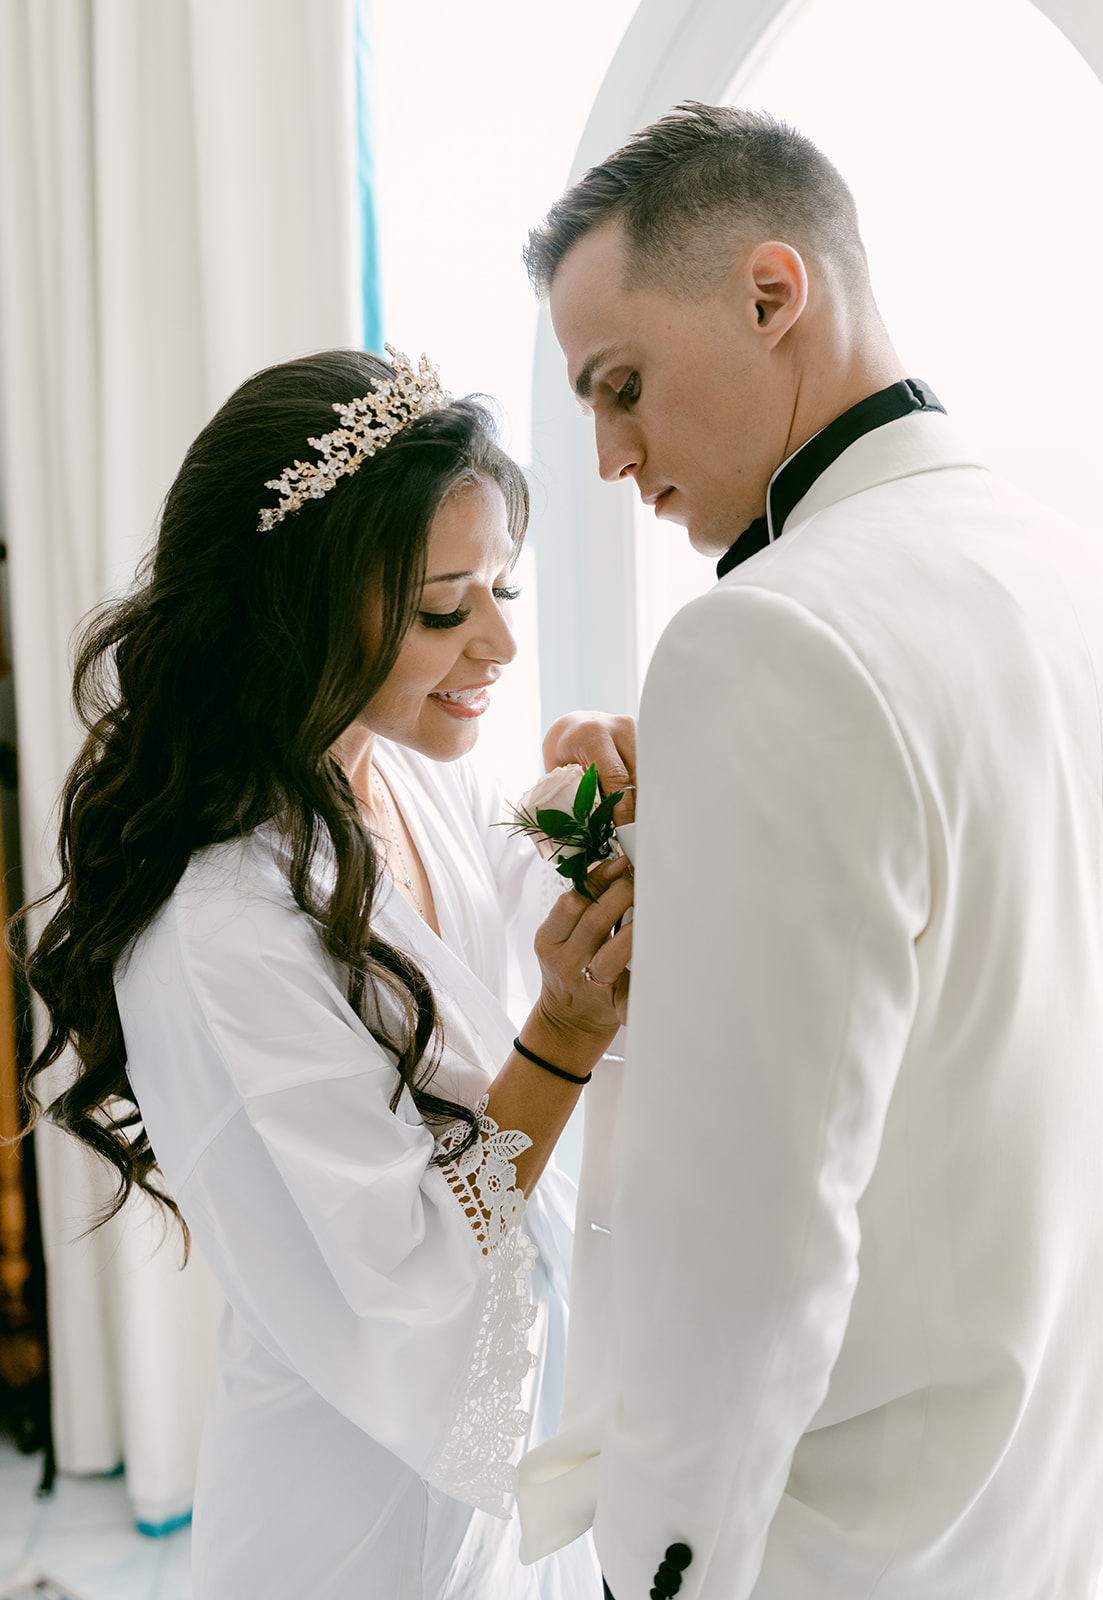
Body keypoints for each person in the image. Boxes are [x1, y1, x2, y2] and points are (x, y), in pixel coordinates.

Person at [514, 102, 1103, 1600]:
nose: (614, 455)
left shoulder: (765, 639)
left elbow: (744, 1232)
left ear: (773, 294)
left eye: (618, 386)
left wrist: (662, 1562)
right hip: (1061, 1493)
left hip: (828, 1542)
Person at [19, 345, 637, 1598]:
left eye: (503, 587)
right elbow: (412, 1254)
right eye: (445, 608)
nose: (504, 643)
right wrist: (563, 1042)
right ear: (294, 606)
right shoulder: (219, 921)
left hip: (483, 1436)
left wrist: (586, 816)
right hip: (349, 1508)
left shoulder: (389, 765)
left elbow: (487, 920)